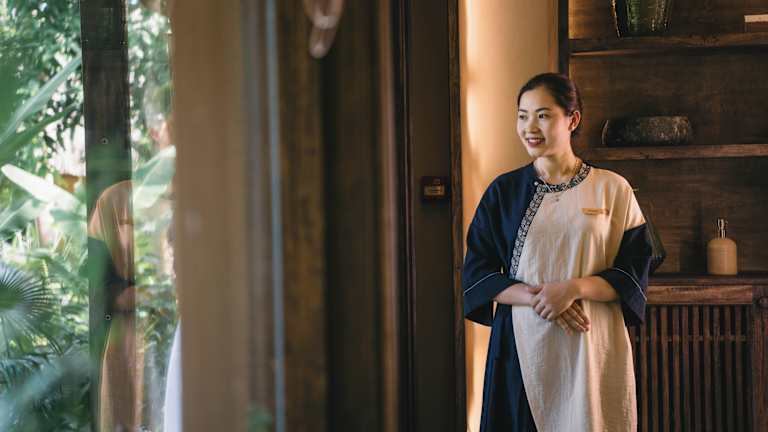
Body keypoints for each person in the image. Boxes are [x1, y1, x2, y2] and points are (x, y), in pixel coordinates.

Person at [462, 73, 654, 432]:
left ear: (572, 119)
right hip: (522, 343)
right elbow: (477, 273)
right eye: (522, 116)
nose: (530, 127)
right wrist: (543, 297)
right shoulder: (503, 192)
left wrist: (573, 289)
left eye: (543, 115)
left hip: (591, 343)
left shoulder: (613, 189)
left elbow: (635, 268)